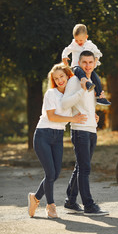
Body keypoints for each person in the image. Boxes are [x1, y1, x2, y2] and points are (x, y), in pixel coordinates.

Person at [28, 63, 87, 219]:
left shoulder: (70, 95)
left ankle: (35, 198)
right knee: (50, 173)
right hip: (43, 135)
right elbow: (52, 117)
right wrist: (72, 118)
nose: (60, 80)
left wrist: (93, 116)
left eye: (62, 76)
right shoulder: (51, 94)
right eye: (56, 78)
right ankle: (51, 206)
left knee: (55, 173)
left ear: (68, 76)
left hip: (58, 136)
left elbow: (80, 110)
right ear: (53, 80)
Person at [61, 51, 109, 216]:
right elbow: (65, 103)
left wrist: (93, 114)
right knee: (85, 169)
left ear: (95, 63)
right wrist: (74, 116)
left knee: (80, 167)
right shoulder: (75, 81)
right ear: (79, 64)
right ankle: (89, 205)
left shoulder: (92, 81)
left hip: (91, 129)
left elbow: (87, 103)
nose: (88, 66)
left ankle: (70, 201)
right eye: (84, 63)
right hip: (79, 131)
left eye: (90, 62)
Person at [62, 23, 111, 106]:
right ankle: (86, 83)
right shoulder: (74, 44)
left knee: (96, 78)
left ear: (86, 37)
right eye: (76, 40)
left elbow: (98, 53)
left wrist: (95, 60)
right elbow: (66, 50)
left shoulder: (90, 45)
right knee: (78, 70)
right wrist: (64, 56)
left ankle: (100, 96)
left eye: (80, 40)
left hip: (87, 69)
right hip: (76, 67)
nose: (78, 42)